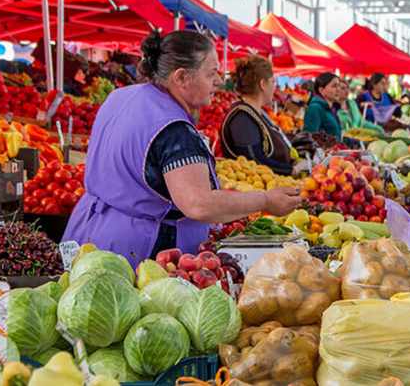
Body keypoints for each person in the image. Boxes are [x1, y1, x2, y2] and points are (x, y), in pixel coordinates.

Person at [62, 31, 302, 266]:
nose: (219, 81)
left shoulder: (121, 97)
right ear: (181, 77)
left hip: (90, 234)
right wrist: (265, 200)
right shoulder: (174, 130)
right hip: (137, 254)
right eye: (211, 73)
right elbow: (199, 204)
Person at [220, 56, 294, 175]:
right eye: (273, 82)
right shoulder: (242, 118)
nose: (274, 87)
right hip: (255, 186)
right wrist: (291, 170)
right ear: (263, 84)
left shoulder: (255, 112)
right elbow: (253, 160)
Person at [304, 72, 344, 140]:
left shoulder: (331, 109)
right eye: (334, 86)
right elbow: (309, 138)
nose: (338, 89)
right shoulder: (315, 108)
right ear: (321, 90)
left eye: (339, 86)